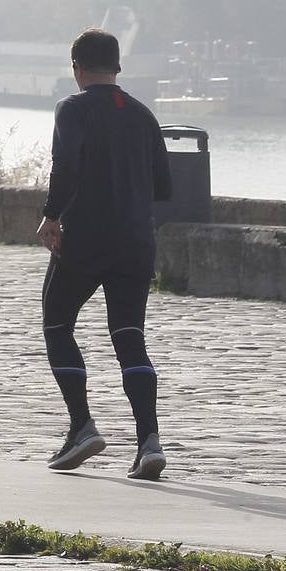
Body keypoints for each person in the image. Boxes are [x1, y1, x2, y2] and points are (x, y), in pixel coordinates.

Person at [36, 29, 172, 480]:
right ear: (118, 67)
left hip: (86, 238)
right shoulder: (143, 115)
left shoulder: (71, 109)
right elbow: (164, 187)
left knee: (57, 322)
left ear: (76, 67)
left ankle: (82, 426)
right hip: (136, 241)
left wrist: (52, 215)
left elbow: (66, 166)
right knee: (129, 335)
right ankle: (149, 442)